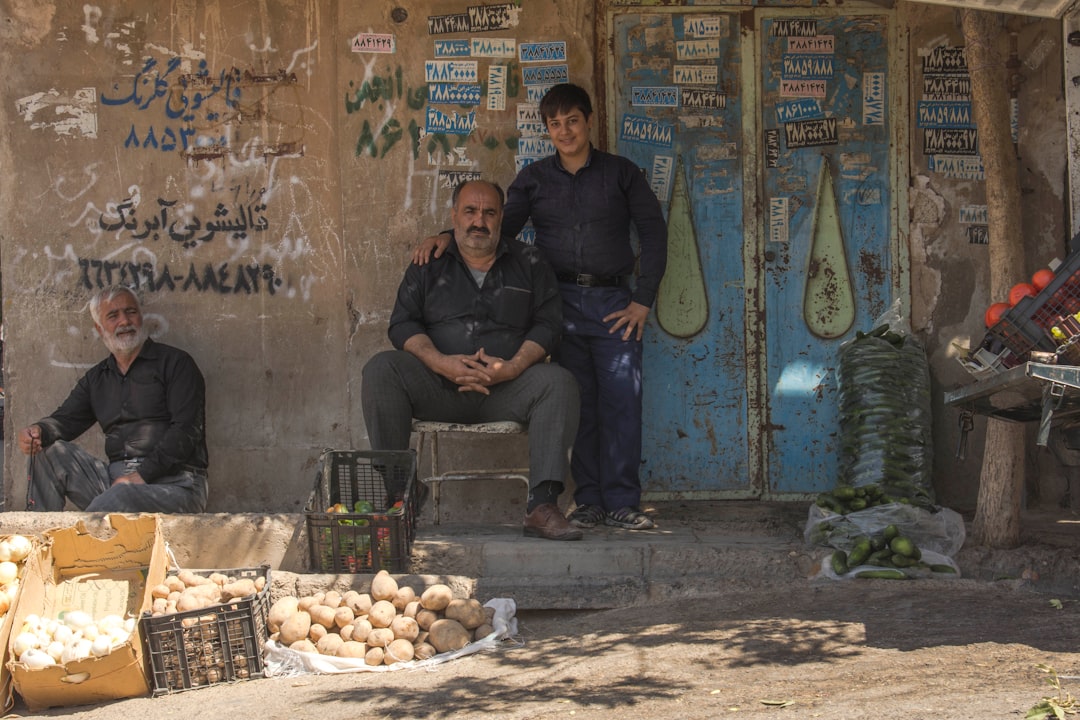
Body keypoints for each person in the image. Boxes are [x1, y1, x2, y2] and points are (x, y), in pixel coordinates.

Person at [414, 83, 668, 531]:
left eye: (573, 120)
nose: (565, 130)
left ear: (588, 121)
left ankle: (624, 501)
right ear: (547, 129)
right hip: (558, 302)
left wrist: (642, 299)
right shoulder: (534, 179)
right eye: (555, 124)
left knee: (622, 401)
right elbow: (494, 227)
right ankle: (587, 501)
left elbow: (653, 233)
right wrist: (442, 234)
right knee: (580, 403)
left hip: (614, 303)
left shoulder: (622, 173)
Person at [363, 179, 583, 541]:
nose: (478, 221)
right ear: (454, 216)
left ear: (501, 218)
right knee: (381, 369)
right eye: (470, 211)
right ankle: (400, 493)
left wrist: (510, 368)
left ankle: (542, 506)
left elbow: (549, 325)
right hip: (438, 387)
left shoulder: (529, 261)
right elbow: (402, 323)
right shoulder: (428, 263)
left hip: (506, 390)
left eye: (489, 212)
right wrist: (439, 362)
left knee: (558, 381)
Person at [18, 285, 209, 513]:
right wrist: (38, 430)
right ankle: (38, 541)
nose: (124, 321)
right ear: (99, 328)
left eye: (131, 312)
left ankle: (77, 541)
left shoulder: (176, 364)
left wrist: (141, 475)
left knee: (119, 497)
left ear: (140, 317)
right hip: (116, 483)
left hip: (177, 487)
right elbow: (65, 420)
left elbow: (186, 431)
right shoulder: (97, 378)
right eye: (113, 315)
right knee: (49, 454)